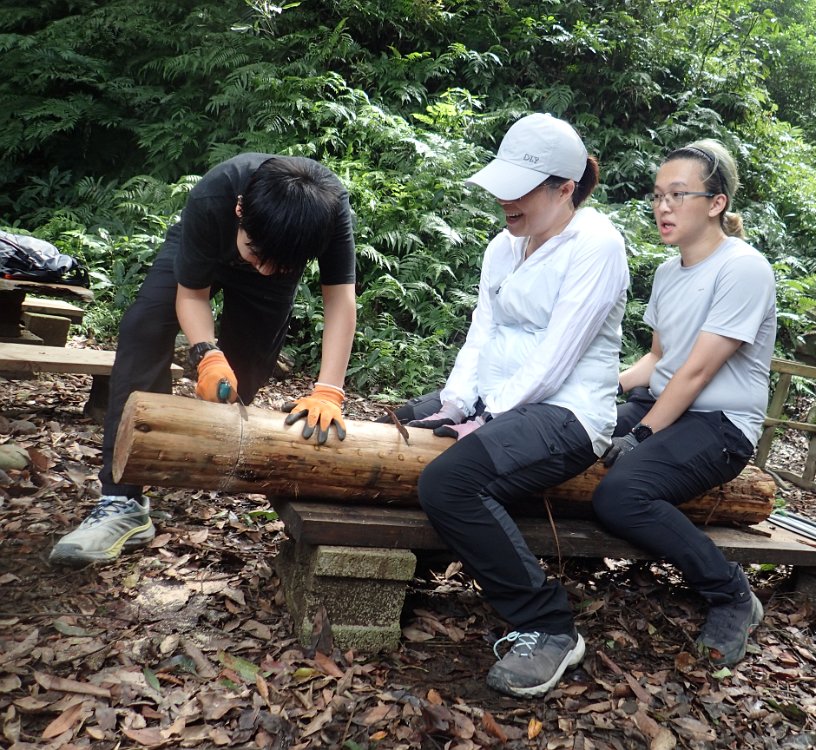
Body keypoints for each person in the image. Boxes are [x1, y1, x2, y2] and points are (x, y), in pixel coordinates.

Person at [389, 113, 629, 697]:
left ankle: (549, 626)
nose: (505, 200)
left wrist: (488, 416)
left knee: (449, 482)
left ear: (565, 188)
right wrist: (455, 403)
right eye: (503, 185)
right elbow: (484, 329)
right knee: (406, 427)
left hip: (568, 414)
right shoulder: (504, 246)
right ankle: (421, 558)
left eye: (520, 189)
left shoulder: (597, 246)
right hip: (501, 403)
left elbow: (557, 355)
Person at [49, 153, 357, 566]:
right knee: (144, 327)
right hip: (205, 245)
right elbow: (192, 294)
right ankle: (121, 502)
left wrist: (329, 392)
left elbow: (340, 300)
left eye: (280, 265)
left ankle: (191, 453)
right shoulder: (215, 195)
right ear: (239, 210)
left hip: (273, 250)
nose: (265, 270)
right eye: (257, 255)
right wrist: (206, 354)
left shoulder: (328, 212)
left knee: (243, 376)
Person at [592, 139, 776, 666]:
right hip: (662, 404)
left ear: (717, 203)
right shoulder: (668, 272)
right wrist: (597, 391)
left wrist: (641, 434)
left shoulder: (743, 268)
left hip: (720, 425)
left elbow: (697, 371)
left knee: (621, 495)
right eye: (657, 196)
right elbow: (658, 359)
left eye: (678, 194)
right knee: (566, 434)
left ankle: (731, 594)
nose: (663, 207)